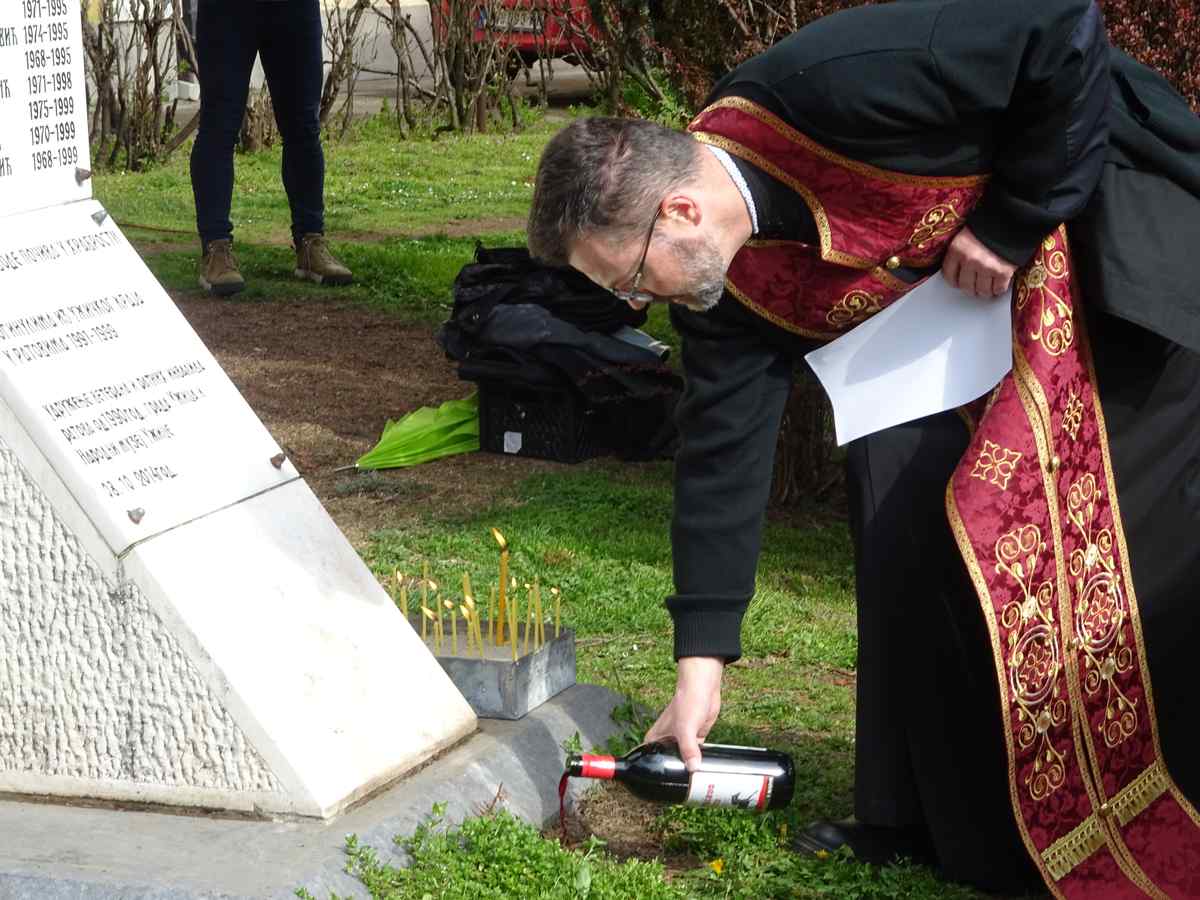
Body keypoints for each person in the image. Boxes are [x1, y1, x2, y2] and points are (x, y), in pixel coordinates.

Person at [525, 0, 1200, 894]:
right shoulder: (724, 297)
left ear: (679, 209)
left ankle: (1161, 778)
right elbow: (721, 460)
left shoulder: (837, 83)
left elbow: (1061, 26)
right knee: (900, 504)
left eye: (630, 278)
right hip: (959, 327)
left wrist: (1012, 222)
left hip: (1101, 232)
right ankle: (923, 819)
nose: (638, 304)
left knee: (1134, 514)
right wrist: (700, 669)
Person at [190, 0, 353, 296]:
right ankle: (216, 249)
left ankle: (311, 243)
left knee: (303, 127)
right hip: (227, 10)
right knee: (219, 126)